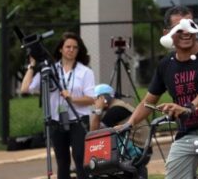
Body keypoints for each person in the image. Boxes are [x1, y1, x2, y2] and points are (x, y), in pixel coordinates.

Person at [125, 6, 198, 179]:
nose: (186, 32)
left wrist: (189, 107)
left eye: (190, 26)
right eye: (180, 28)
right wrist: (129, 124)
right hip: (187, 135)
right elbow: (148, 102)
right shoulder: (166, 64)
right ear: (167, 33)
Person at [21, 32, 96, 179]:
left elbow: (91, 99)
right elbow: (25, 89)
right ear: (61, 49)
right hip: (56, 121)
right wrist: (32, 65)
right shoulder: (50, 70)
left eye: (75, 47)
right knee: (62, 162)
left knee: (80, 158)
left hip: (78, 120)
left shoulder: (85, 71)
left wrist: (72, 98)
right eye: (67, 46)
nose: (71, 50)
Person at [90, 83, 148, 178]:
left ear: (102, 98)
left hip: (137, 149)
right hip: (138, 146)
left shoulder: (116, 109)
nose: (94, 102)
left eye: (96, 99)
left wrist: (98, 110)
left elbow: (94, 132)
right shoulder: (118, 105)